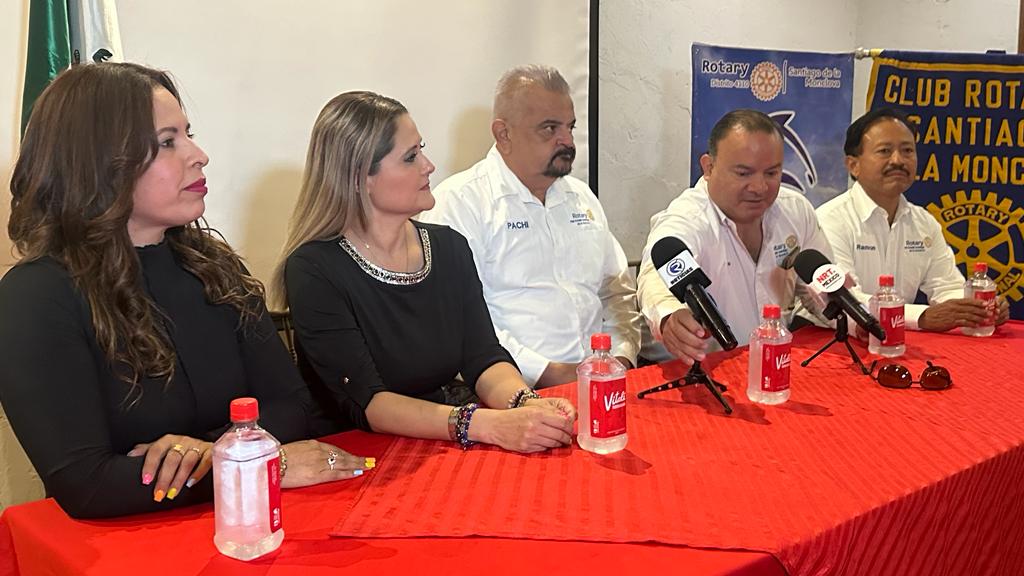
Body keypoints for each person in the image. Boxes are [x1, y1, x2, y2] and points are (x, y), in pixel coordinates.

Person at [0, 63, 370, 520]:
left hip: (243, 522)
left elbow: (294, 409)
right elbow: (86, 485)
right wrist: (261, 463)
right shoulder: (34, 296)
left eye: (188, 134)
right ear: (98, 162)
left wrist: (208, 453)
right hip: (124, 543)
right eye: (167, 142)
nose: (199, 155)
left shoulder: (212, 265)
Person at [274, 91, 576, 453]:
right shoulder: (314, 269)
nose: (428, 166)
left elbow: (483, 358)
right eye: (410, 157)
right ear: (359, 177)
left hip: (448, 438)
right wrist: (487, 425)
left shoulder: (449, 247)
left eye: (422, 150)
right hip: (359, 456)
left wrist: (525, 404)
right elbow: (370, 403)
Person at [419, 65, 641, 387]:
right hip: (509, 395)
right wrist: (550, 373)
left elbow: (616, 292)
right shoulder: (460, 203)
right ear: (503, 134)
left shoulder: (582, 198)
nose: (567, 141)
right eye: (549, 129)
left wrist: (620, 359)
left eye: (570, 127)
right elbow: (459, 322)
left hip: (604, 385)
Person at [637, 109, 833, 365]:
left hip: (774, 364)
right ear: (709, 167)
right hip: (700, 371)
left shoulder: (795, 210)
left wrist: (850, 312)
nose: (759, 187)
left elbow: (822, 292)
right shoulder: (688, 219)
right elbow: (656, 275)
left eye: (771, 173)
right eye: (743, 173)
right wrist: (668, 316)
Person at [813, 108, 1010, 331]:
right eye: (885, 151)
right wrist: (921, 317)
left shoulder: (924, 223)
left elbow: (946, 287)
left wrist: (977, 308)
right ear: (853, 165)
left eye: (907, 150)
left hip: (896, 341)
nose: (898, 160)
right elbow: (843, 299)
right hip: (830, 340)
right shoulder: (830, 220)